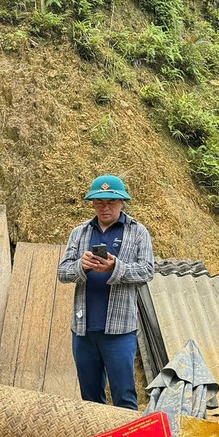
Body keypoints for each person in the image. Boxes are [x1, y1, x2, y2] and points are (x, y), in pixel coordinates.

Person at [57, 174, 155, 409]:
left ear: (122, 202)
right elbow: (62, 272)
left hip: (120, 329)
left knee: (124, 396)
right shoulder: (80, 233)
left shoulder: (137, 232)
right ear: (93, 203)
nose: (105, 207)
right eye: (99, 202)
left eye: (111, 202)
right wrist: (81, 265)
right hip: (83, 329)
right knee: (90, 399)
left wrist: (116, 267)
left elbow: (147, 271)